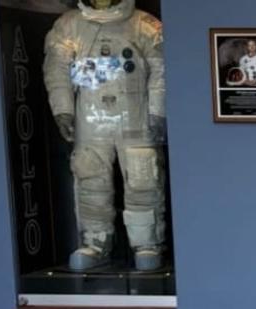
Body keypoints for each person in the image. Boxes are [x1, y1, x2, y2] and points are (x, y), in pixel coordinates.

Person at [44, 0, 168, 271]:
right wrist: (63, 110)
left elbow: (161, 69)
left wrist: (158, 112)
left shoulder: (144, 25)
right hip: (90, 118)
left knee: (143, 178)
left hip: (135, 116)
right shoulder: (69, 26)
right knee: (91, 180)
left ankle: (147, 243)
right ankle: (96, 242)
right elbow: (56, 70)